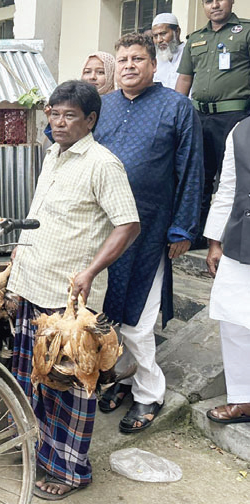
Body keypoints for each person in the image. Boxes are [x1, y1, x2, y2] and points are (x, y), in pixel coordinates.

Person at [9, 80, 140, 499]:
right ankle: (38, 453)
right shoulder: (52, 154)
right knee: (36, 379)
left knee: (69, 387)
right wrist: (18, 256)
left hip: (69, 300)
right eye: (54, 113)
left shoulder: (103, 163)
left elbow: (129, 224)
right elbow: (40, 216)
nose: (59, 122)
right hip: (33, 285)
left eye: (69, 115)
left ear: (91, 120)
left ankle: (71, 472)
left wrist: (90, 270)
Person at [95, 33, 203, 434]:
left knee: (138, 320)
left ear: (154, 65)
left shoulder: (177, 107)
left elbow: (191, 170)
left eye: (137, 58)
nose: (128, 65)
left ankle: (148, 392)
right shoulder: (101, 107)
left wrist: (183, 228)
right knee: (108, 315)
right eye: (122, 59)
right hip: (103, 229)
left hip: (151, 230)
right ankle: (122, 378)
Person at [176, 0, 250, 247]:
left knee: (235, 178)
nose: (215, 5)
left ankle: (231, 237)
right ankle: (199, 236)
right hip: (199, 117)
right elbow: (185, 79)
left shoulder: (246, 32)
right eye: (208, 1)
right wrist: (176, 114)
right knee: (199, 177)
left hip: (235, 116)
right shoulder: (195, 38)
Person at [203, 116, 250, 424]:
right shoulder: (241, 130)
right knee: (233, 320)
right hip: (241, 235)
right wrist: (214, 241)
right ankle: (242, 399)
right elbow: (227, 188)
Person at [152, 13, 185, 90]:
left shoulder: (190, 54)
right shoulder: (155, 60)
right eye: (155, 36)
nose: (159, 40)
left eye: (163, 34)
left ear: (177, 32)